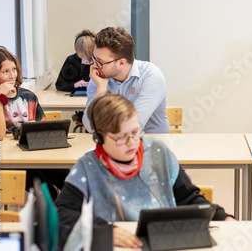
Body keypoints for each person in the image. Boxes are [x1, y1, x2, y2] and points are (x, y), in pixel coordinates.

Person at [56, 94, 234, 249]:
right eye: (121, 137)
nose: (132, 142)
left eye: (135, 133)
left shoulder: (157, 151)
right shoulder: (87, 167)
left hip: (162, 242)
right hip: (117, 245)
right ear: (98, 137)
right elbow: (63, 212)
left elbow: (187, 198)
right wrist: (102, 230)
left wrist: (222, 217)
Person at [0, 46, 67, 197]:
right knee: (48, 193)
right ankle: (50, 218)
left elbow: (44, 129)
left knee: (69, 181)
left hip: (34, 154)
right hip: (10, 161)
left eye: (14, 69)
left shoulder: (28, 96)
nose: (12, 76)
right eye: (5, 71)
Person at [81, 27, 169, 133]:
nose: (94, 65)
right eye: (94, 58)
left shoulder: (152, 77)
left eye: (100, 61)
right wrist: (101, 88)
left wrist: (101, 125)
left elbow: (132, 127)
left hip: (151, 143)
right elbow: (90, 127)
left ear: (121, 63)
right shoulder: (98, 78)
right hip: (114, 143)